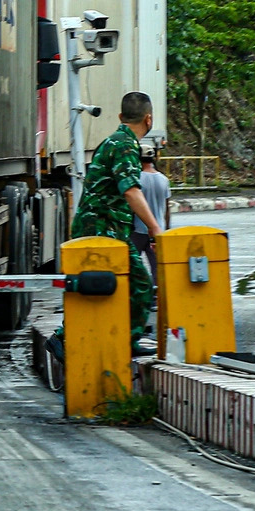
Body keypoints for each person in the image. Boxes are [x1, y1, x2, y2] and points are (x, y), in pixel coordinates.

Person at [70, 90, 163, 350]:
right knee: (141, 284)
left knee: (97, 289)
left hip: (105, 226)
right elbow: (131, 190)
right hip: (102, 228)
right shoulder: (124, 145)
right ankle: (126, 340)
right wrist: (155, 228)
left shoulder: (114, 141)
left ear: (121, 116)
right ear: (149, 119)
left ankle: (66, 338)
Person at [132, 146, 171, 266]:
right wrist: (166, 228)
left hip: (137, 230)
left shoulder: (136, 179)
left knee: (131, 267)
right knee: (158, 269)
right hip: (158, 231)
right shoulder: (164, 180)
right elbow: (167, 208)